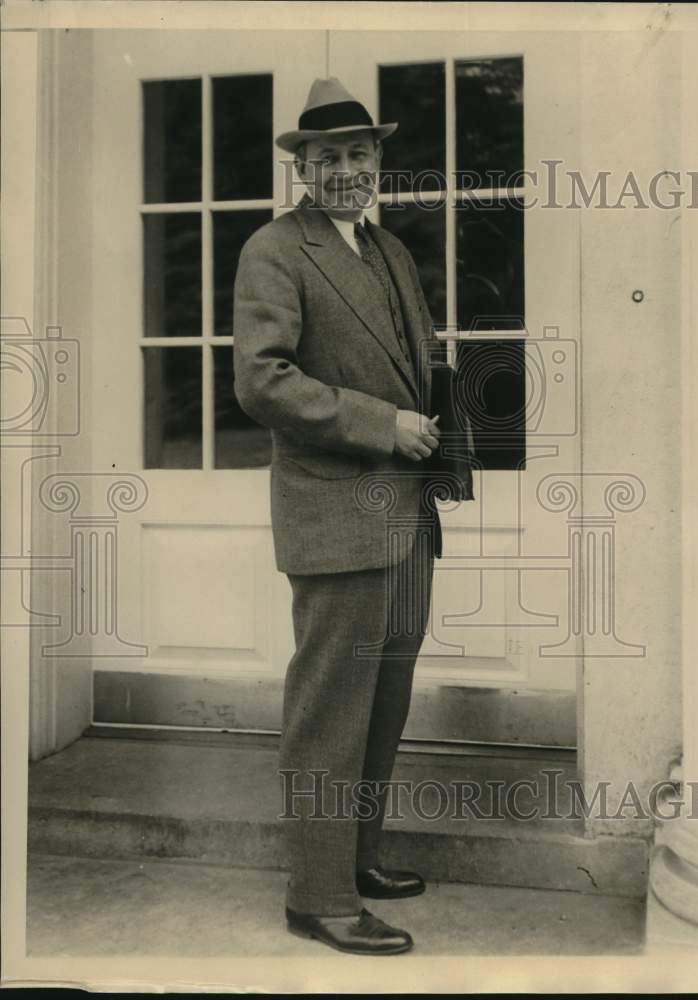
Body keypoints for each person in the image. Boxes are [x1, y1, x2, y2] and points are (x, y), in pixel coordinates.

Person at [233, 77, 445, 956]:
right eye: (328, 158)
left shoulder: (388, 251)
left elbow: (416, 372)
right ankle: (316, 895)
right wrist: (381, 425)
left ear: (377, 163)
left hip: (405, 515)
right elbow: (262, 380)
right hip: (334, 513)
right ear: (303, 170)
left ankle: (354, 858)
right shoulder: (274, 249)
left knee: (383, 699)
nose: (347, 170)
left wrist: (448, 455)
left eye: (360, 154)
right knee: (331, 709)